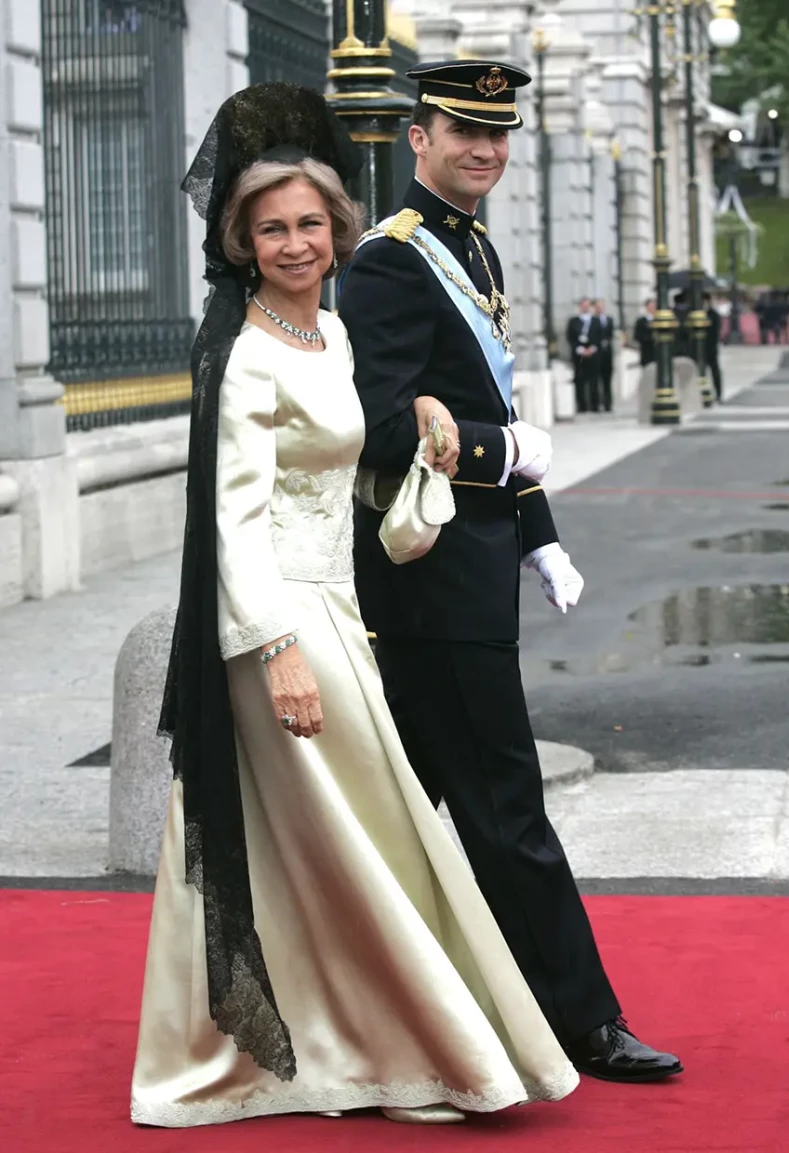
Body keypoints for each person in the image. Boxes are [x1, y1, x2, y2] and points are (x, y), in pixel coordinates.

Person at [131, 82, 578, 1131]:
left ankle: (353, 1035)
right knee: (373, 834)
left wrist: (424, 415)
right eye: (271, 228)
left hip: (339, 608)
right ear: (241, 243)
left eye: (310, 224)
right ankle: (409, 1044)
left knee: (332, 845)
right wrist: (277, 649)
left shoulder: (325, 337)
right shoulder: (242, 356)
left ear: (336, 229)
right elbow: (233, 525)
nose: (295, 244)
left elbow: (351, 463)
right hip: (279, 626)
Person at [338, 59, 682, 1085]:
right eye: (461, 131)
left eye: (497, 133)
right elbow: (383, 425)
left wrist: (537, 533)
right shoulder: (393, 260)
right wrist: (502, 453)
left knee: (420, 815)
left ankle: (424, 1012)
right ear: (416, 136)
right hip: (431, 581)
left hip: (472, 569)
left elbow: (484, 385)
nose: (483, 149)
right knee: (503, 806)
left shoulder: (470, 242)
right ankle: (580, 1022)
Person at [566, 297, 602, 412]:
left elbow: (599, 337)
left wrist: (592, 349)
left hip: (593, 354)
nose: (585, 307)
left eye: (587, 305)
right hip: (579, 355)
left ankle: (595, 404)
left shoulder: (595, 321)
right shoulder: (574, 321)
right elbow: (570, 337)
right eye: (583, 305)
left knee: (594, 380)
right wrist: (580, 349)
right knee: (580, 380)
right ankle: (581, 405)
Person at [594, 298, 615, 412]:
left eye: (601, 306)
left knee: (607, 380)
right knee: (597, 380)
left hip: (607, 353)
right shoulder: (593, 320)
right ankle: (597, 403)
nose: (600, 308)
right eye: (598, 306)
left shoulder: (609, 319)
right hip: (597, 354)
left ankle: (608, 403)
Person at [704, 292, 723, 402]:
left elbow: (716, 333)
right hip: (699, 349)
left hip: (711, 347)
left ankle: (718, 393)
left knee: (715, 370)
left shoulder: (714, 315)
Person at [633, 298, 656, 367]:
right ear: (646, 307)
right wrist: (649, 338)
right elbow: (637, 336)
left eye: (654, 306)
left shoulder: (658, 320)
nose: (652, 308)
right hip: (646, 352)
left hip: (657, 353)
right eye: (651, 306)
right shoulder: (641, 321)